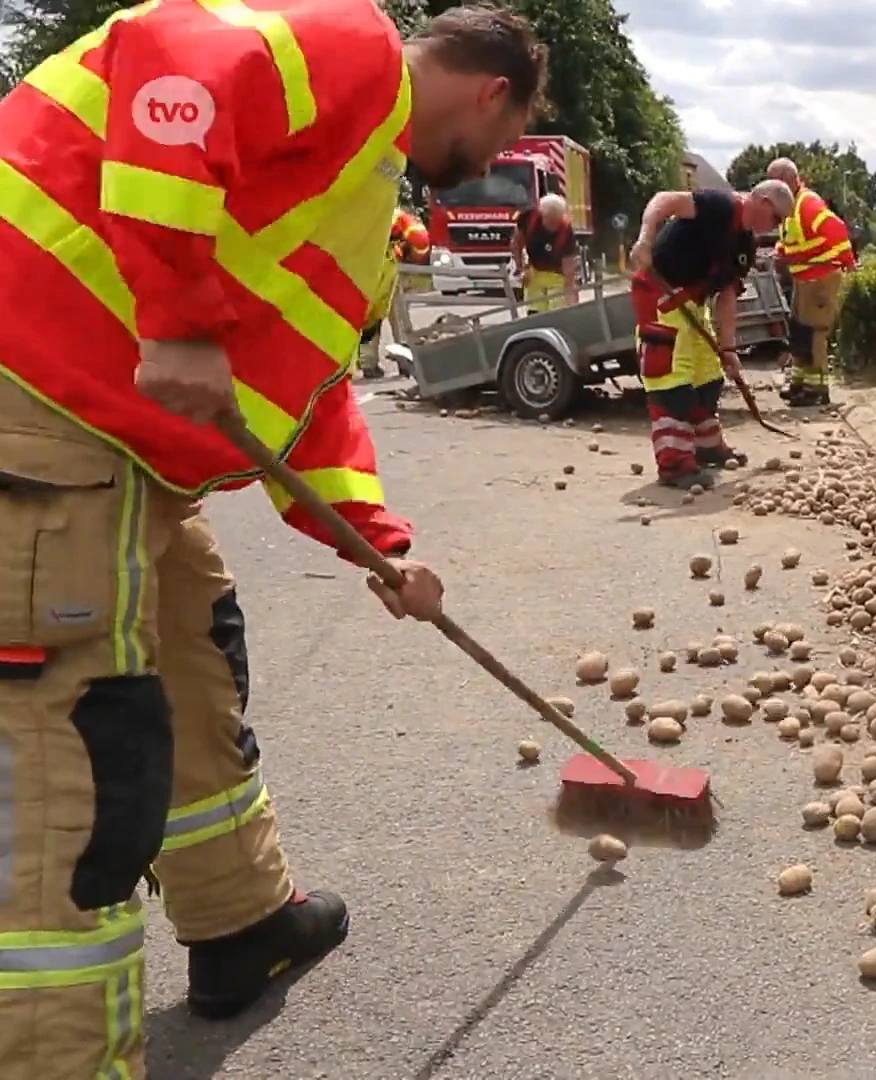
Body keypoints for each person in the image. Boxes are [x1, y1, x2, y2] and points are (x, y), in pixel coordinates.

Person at [0, 2, 541, 1075]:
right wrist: (175, 320)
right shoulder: (352, 47)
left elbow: (306, 391)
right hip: (36, 389)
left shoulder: (366, 188)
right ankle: (53, 1056)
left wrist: (380, 544)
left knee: (197, 656)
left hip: (131, 453)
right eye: (504, 140)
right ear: (493, 94)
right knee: (75, 741)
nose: (486, 166)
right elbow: (169, 68)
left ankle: (239, 923)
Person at [629, 181, 794, 489]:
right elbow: (665, 198)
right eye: (776, 219)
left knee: (708, 376)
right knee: (671, 380)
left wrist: (728, 348)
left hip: (693, 302)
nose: (775, 227)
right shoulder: (719, 205)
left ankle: (707, 446)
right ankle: (675, 464)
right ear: (763, 200)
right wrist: (645, 239)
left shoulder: (745, 244)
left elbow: (728, 296)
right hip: (659, 294)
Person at [766, 157, 855, 408]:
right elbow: (793, 239)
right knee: (800, 331)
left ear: (787, 180)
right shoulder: (791, 207)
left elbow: (836, 233)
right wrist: (781, 251)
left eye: (774, 182)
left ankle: (817, 389)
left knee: (815, 332)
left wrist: (793, 257)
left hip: (820, 278)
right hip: (804, 278)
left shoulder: (808, 204)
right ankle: (800, 383)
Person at [359, 208, 433, 378]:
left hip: (372, 271)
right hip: (383, 272)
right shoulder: (412, 232)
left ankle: (368, 364)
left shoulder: (397, 222)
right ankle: (404, 362)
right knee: (398, 318)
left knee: (373, 317)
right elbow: (416, 252)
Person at [512, 192, 579, 314]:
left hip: (558, 276)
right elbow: (517, 244)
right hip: (535, 274)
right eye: (550, 220)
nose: (554, 225)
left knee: (557, 312)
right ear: (542, 214)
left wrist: (572, 300)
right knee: (534, 313)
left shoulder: (566, 231)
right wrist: (520, 268)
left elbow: (569, 269)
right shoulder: (528, 218)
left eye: (557, 221)